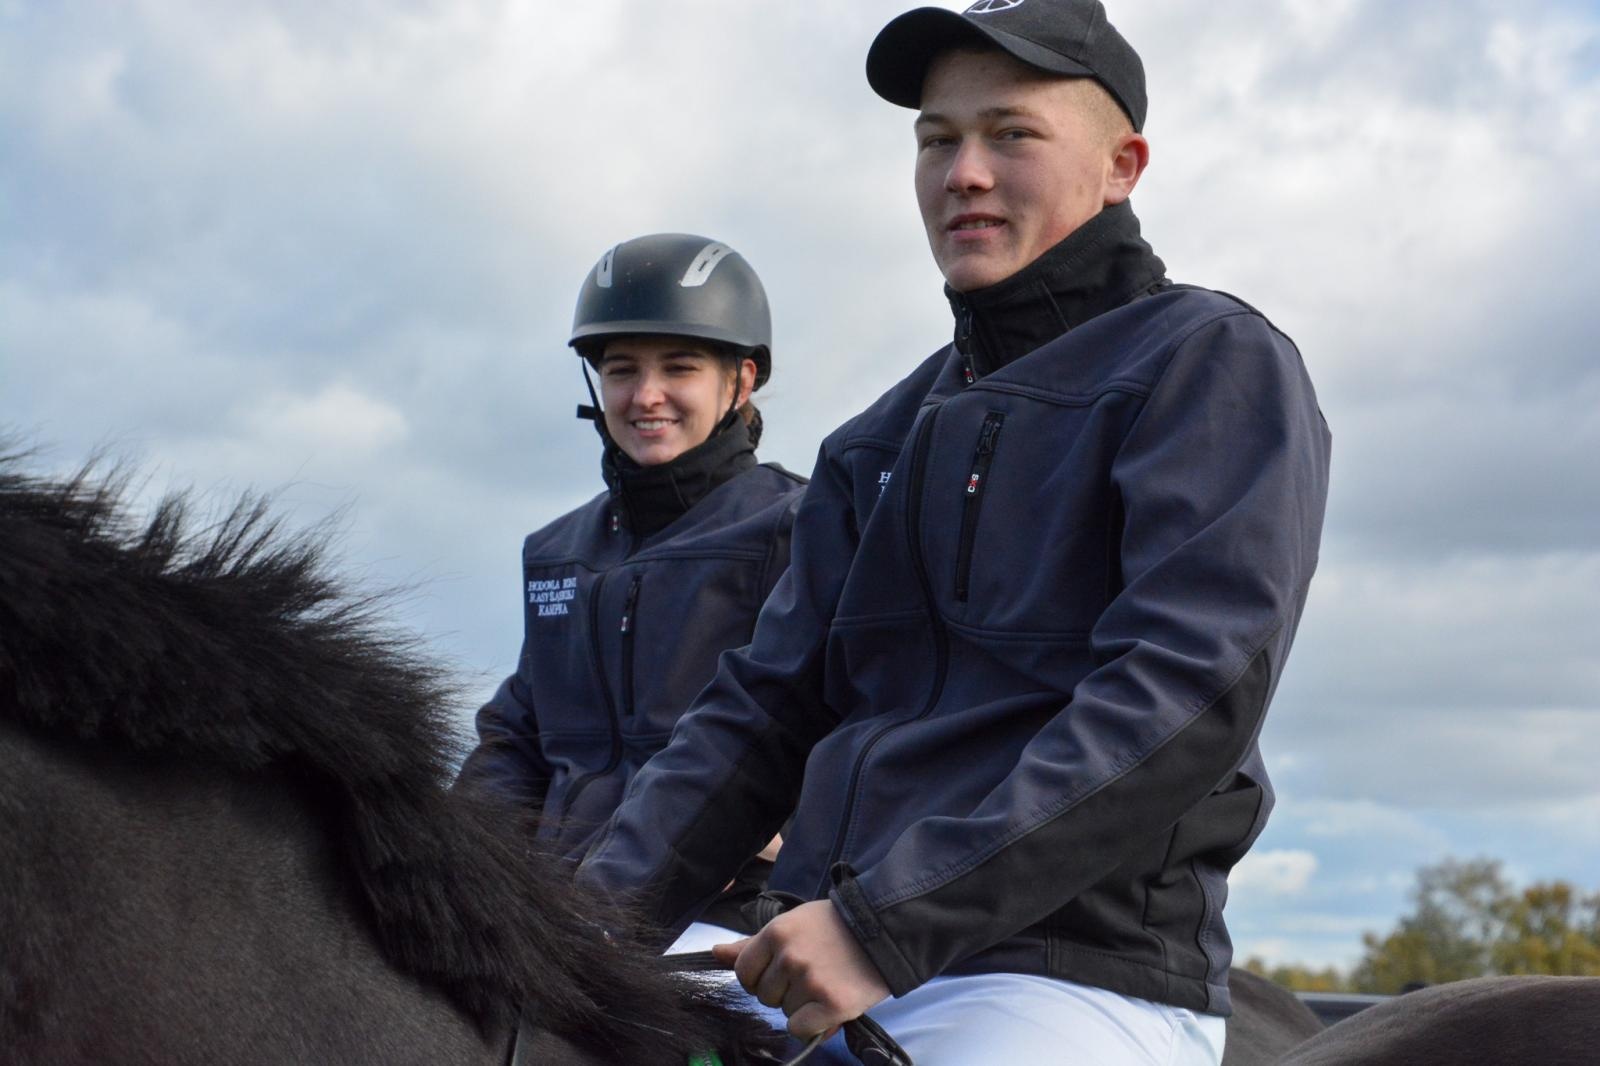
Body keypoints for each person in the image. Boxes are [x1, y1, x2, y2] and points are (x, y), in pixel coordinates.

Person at [577, 3, 1332, 1063]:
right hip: (812, 953)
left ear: (1123, 164)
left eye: (1011, 135)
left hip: (1064, 976)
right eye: (937, 140)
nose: (962, 172)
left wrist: (885, 924)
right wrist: (570, 932)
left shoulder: (1210, 362)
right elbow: (761, 710)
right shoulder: (871, 441)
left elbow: (1181, 693)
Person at [459, 232, 803, 940]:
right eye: (622, 371)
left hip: (723, 910)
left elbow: (846, 712)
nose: (646, 397)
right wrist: (458, 864)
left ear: (740, 381)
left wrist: (791, 826)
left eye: (678, 368)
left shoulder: (803, 527)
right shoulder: (557, 552)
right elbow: (517, 739)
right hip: (553, 910)